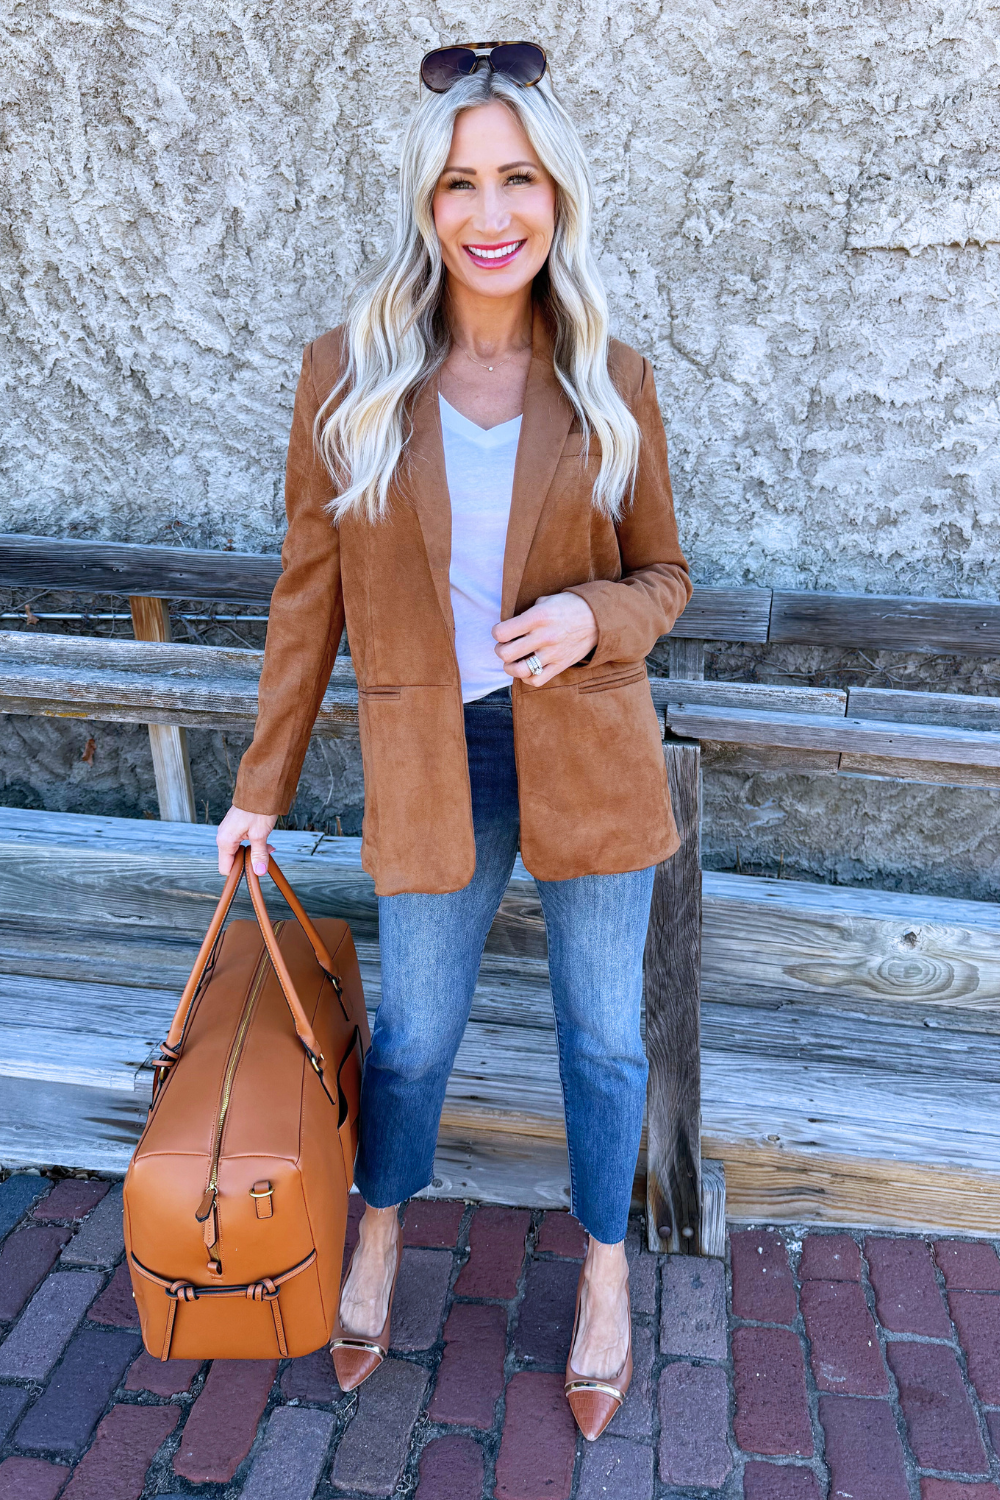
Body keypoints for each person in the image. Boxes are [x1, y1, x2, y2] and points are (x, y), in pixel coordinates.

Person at [216, 40, 690, 1442]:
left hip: (590, 757)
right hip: (433, 764)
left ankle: (604, 1273)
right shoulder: (348, 374)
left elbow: (667, 576)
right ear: (425, 205)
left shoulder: (610, 376)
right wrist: (259, 789)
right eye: (460, 185)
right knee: (415, 1038)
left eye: (518, 179)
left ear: (558, 196)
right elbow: (307, 600)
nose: (492, 214)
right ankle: (378, 1233)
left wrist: (594, 617)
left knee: (604, 1042)